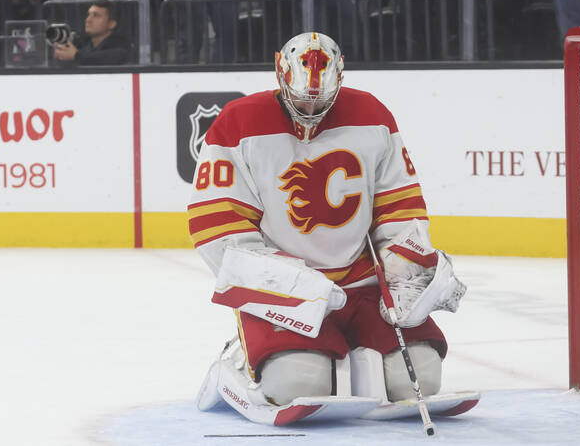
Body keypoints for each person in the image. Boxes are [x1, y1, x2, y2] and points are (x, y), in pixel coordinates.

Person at [191, 31, 467, 422]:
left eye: (321, 99)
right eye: (302, 98)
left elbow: (399, 209)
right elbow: (218, 230)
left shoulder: (373, 115)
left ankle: (352, 350)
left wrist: (409, 274)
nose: (310, 108)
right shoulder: (237, 123)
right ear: (279, 72)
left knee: (420, 377)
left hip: (361, 285)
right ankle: (239, 357)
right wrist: (294, 283)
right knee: (297, 385)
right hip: (285, 294)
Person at [52, 0, 133, 66]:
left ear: (111, 24)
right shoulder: (83, 44)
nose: (88, 20)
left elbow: (117, 56)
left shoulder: (121, 45)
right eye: (88, 15)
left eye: (96, 15)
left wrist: (76, 56)